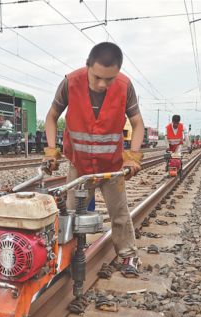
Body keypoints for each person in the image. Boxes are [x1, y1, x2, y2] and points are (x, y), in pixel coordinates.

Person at [44, 42, 145, 276]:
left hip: (111, 167)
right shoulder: (70, 83)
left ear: (118, 72)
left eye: (109, 79)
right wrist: (51, 150)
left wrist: (133, 157)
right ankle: (64, 257)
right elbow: (51, 117)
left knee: (119, 214)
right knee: (69, 215)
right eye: (97, 77)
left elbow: (138, 123)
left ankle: (129, 256)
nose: (102, 84)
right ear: (87, 65)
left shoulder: (125, 86)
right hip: (80, 167)